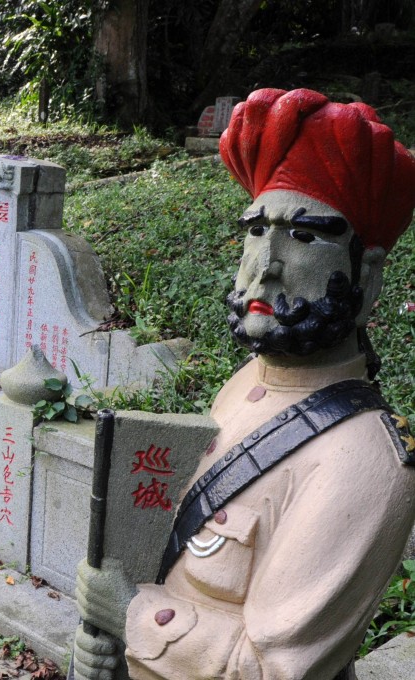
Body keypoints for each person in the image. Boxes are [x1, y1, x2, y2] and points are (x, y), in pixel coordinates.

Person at [73, 88, 415, 680]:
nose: (265, 264)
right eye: (257, 231)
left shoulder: (365, 456)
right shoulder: (245, 382)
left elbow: (274, 667)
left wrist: (132, 615)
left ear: (368, 275)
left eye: (304, 236)